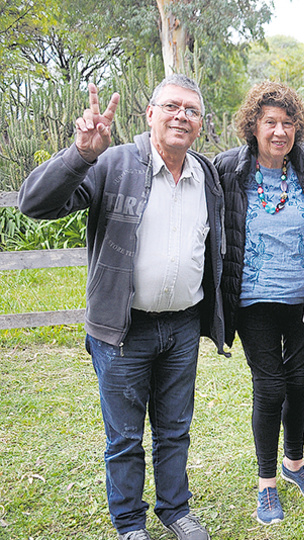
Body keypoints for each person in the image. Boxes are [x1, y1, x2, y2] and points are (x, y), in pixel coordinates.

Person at [17, 75, 223, 540]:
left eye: (191, 110)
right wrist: (81, 154)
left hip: (183, 326)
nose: (181, 117)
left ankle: (176, 510)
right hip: (122, 331)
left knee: (175, 430)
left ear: (201, 124)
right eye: (170, 106)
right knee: (125, 438)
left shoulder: (205, 175)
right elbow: (34, 203)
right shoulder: (113, 163)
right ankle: (130, 523)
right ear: (149, 114)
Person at [214, 82, 304, 526]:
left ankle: (295, 464)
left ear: (297, 127)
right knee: (270, 386)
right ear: (253, 126)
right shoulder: (229, 168)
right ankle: (267, 484)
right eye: (270, 123)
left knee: (299, 381)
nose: (279, 131)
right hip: (253, 298)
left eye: (287, 123)